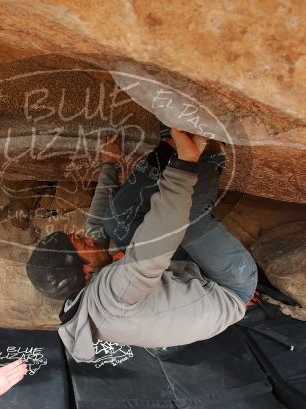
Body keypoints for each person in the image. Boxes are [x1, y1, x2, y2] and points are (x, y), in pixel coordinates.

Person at [26, 128, 257, 361]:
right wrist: (185, 165)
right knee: (188, 215)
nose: (86, 237)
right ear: (86, 274)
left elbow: (98, 225)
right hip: (229, 287)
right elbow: (160, 236)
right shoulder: (111, 297)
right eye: (82, 244)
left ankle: (168, 145)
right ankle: (211, 152)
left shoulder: (81, 288)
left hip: (186, 277)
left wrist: (110, 165)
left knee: (116, 222)